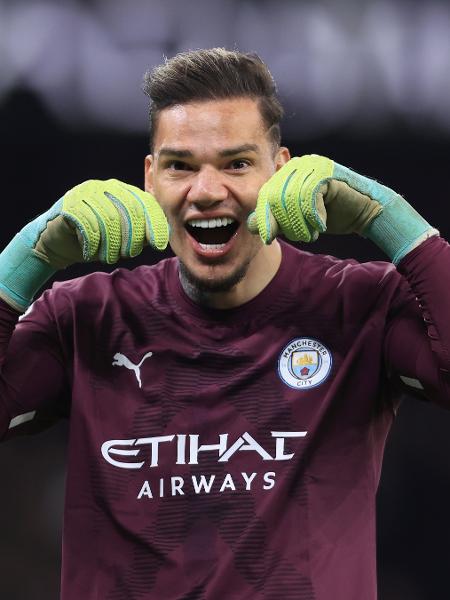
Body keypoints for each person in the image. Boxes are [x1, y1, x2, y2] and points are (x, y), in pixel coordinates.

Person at [0, 47, 448, 600]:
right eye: (180, 165)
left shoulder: (358, 305)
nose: (206, 191)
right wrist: (22, 264)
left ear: (281, 170)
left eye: (237, 164)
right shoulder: (86, 316)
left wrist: (394, 224)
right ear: (150, 178)